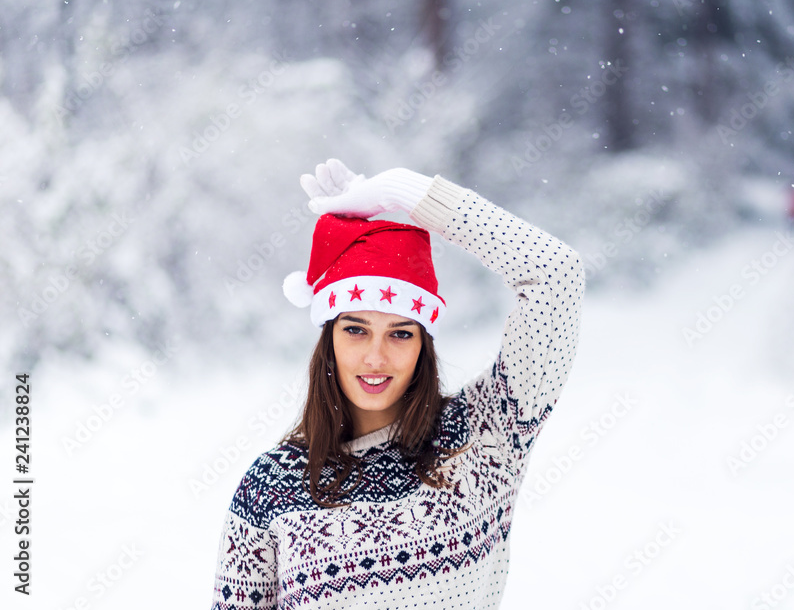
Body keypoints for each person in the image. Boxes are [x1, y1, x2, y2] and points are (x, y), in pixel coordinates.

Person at [210, 159, 585, 609]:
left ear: (423, 345)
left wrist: (404, 192)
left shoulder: (485, 434)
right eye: (355, 329)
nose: (376, 357)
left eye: (400, 333)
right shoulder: (271, 486)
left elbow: (557, 275)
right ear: (327, 338)